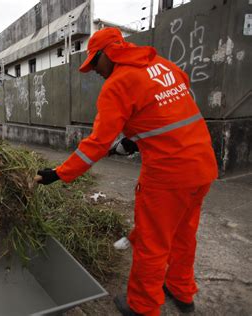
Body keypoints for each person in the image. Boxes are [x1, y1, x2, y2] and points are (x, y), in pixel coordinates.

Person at [35, 28, 217, 316]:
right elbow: (168, 109)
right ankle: (182, 291)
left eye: (95, 63)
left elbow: (95, 144)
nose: (94, 70)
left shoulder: (118, 84)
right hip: (203, 166)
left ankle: (143, 307)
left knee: (151, 243)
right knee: (184, 235)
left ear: (108, 54)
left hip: (168, 176)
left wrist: (58, 173)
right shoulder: (164, 65)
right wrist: (136, 138)